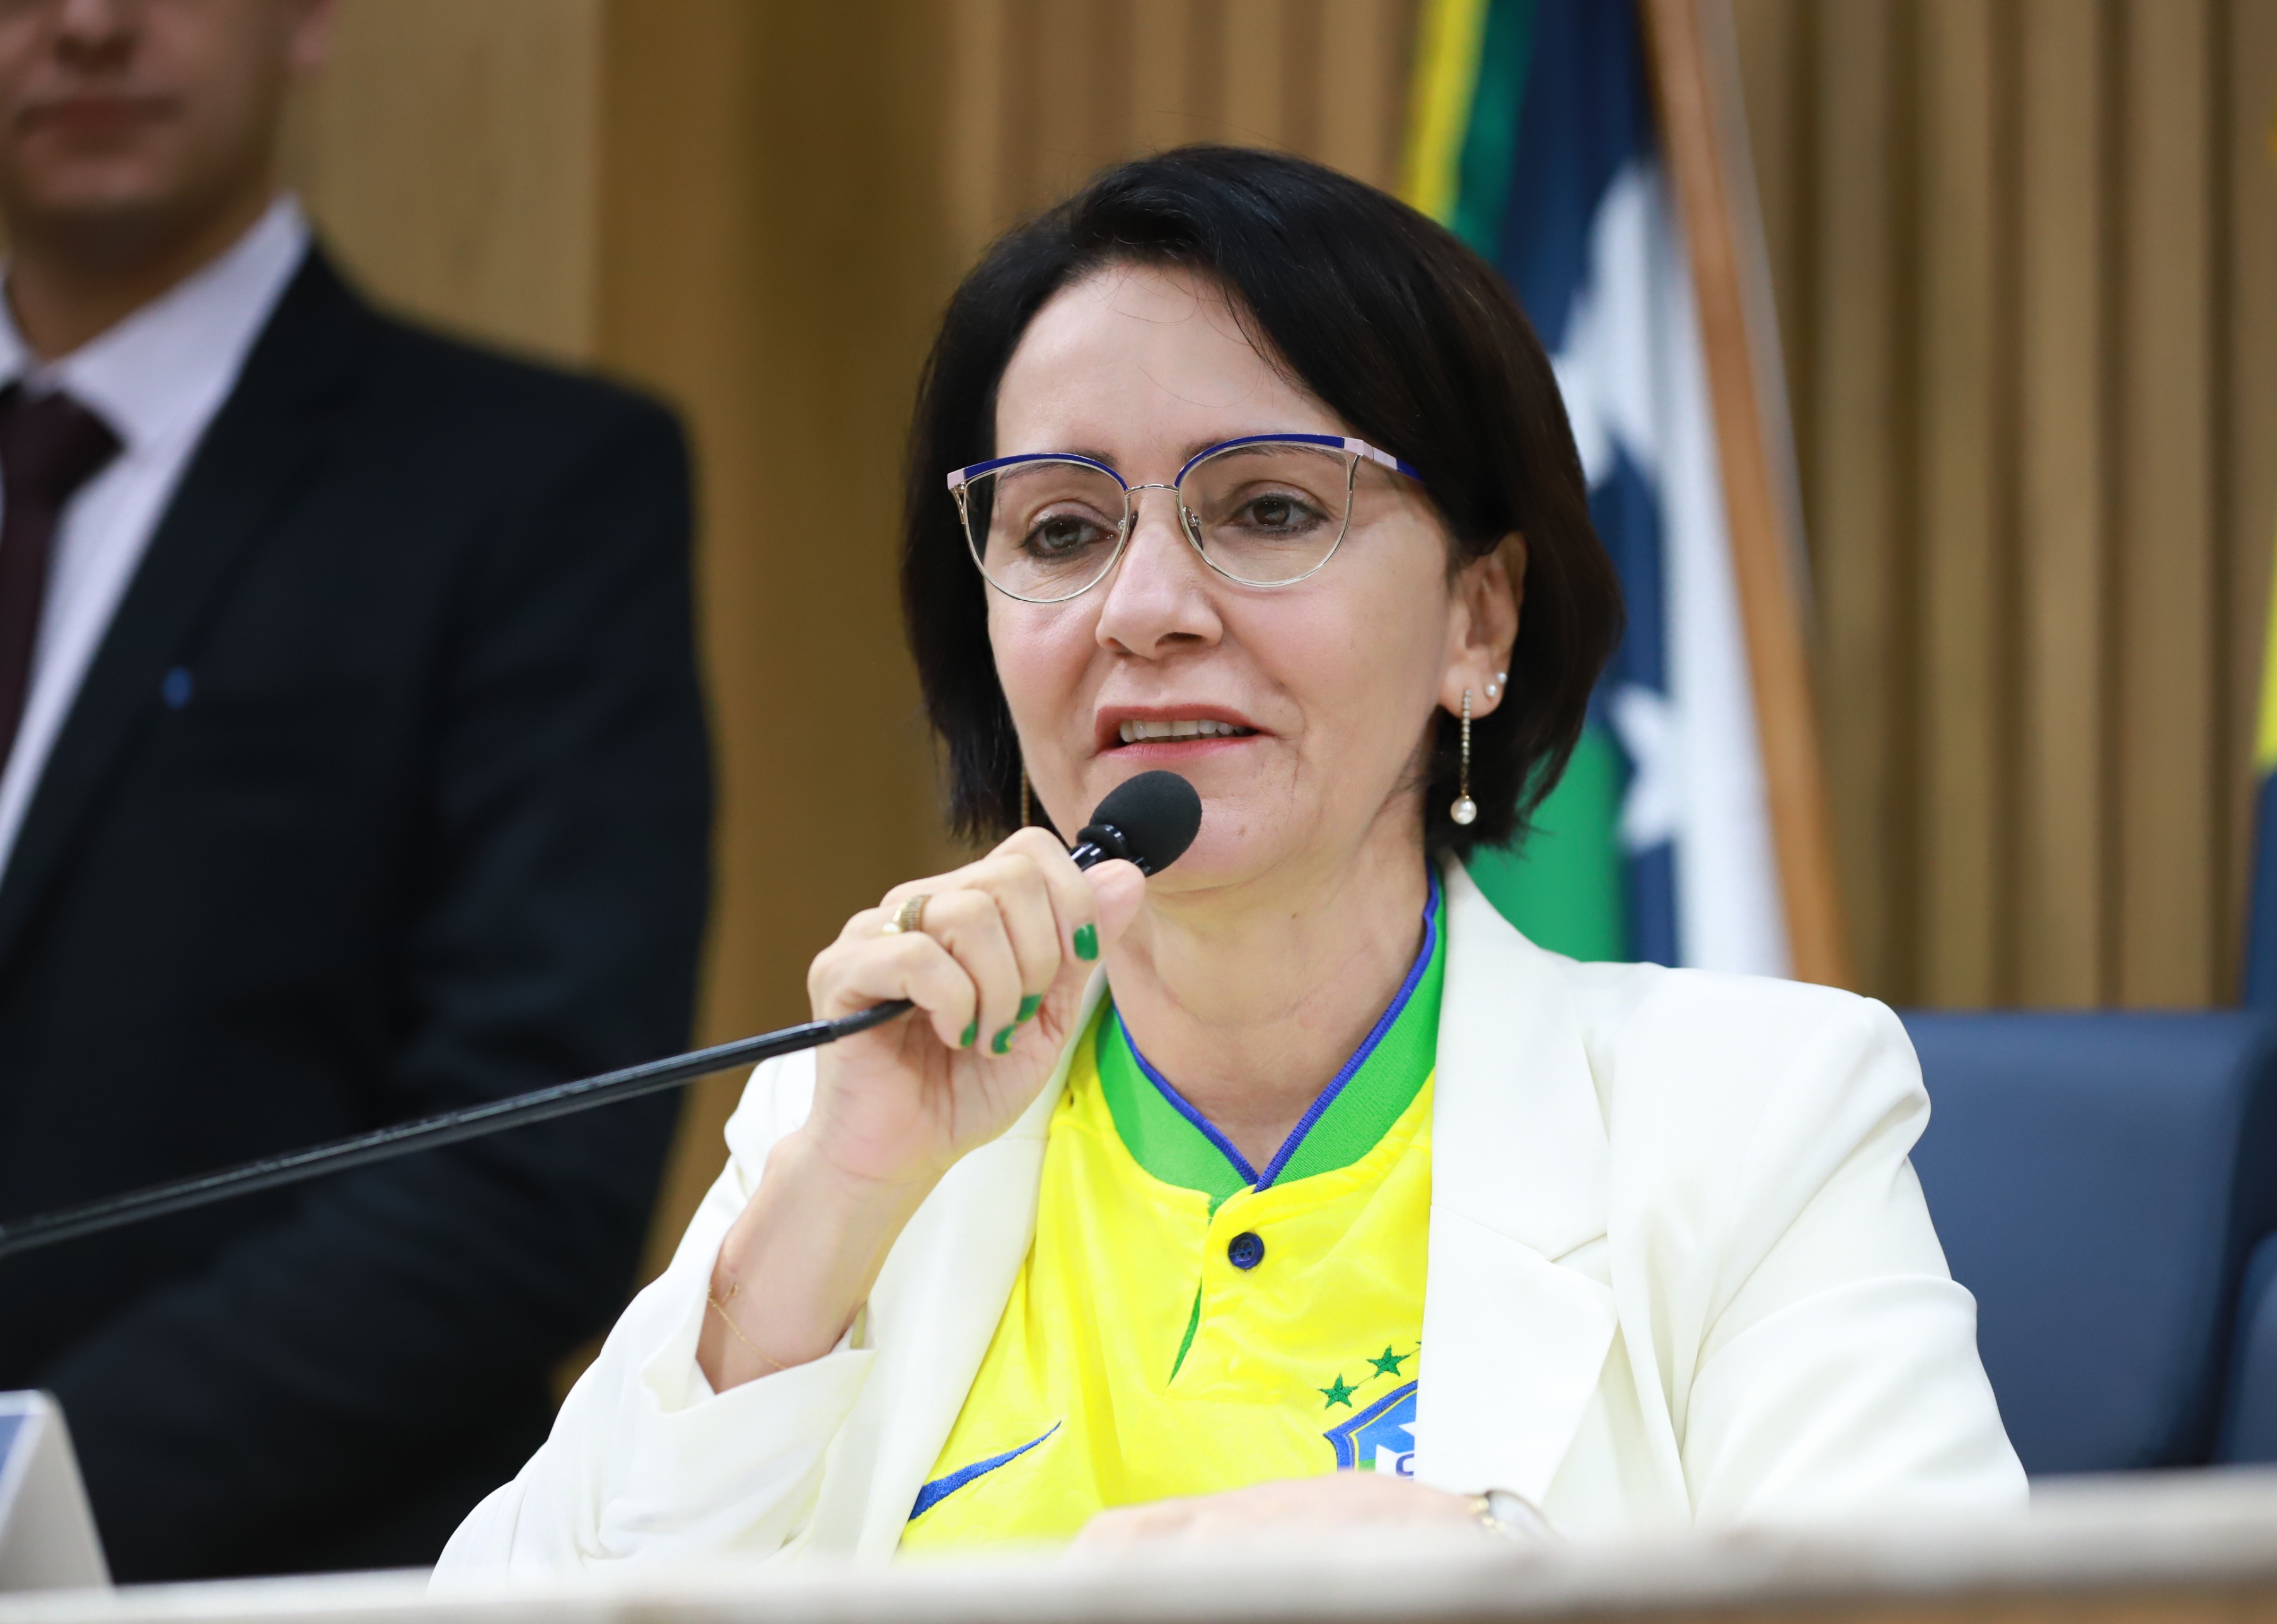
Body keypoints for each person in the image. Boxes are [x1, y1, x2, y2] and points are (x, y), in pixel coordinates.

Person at [439, 146, 2020, 1574]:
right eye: (1062, 531)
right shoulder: (848, 1129)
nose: (1142, 610)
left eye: (1266, 509)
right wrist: (819, 1227)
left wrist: (1499, 1579)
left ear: (1476, 618)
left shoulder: (1746, 1121)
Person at [0, 0, 710, 1580]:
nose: (90, 24)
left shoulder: (531, 487)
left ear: (307, 17)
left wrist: (34, 1495)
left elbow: (528, 1157)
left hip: (276, 1573)